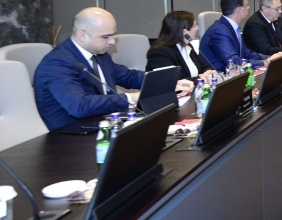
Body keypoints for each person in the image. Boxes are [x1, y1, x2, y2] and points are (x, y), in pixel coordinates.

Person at [34, 7, 194, 130]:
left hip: (104, 126)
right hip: (70, 139)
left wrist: (170, 83)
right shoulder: (56, 63)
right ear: (83, 36)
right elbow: (79, 106)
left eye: (113, 35)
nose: (112, 42)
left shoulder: (99, 55)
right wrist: (132, 97)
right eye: (106, 37)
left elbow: (128, 77)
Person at [201, 0, 282, 71]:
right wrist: (264, 62)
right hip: (221, 77)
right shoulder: (219, 31)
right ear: (238, 11)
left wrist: (270, 58)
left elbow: (246, 53)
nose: (248, 7)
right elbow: (233, 62)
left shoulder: (232, 27)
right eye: (246, 5)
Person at [146, 11, 217, 81]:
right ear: (185, 32)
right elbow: (173, 81)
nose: (197, 28)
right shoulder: (160, 53)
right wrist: (200, 79)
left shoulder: (188, 46)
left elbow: (204, 67)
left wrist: (210, 73)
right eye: (194, 25)